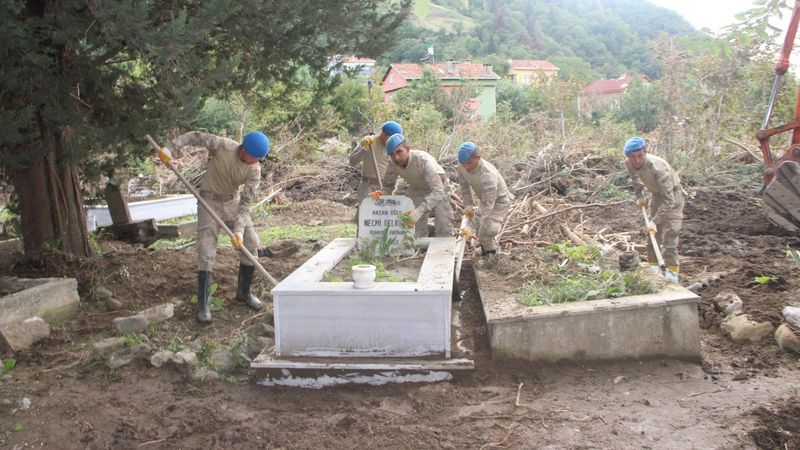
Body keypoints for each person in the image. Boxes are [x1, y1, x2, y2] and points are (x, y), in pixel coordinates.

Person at [171, 130, 269, 322]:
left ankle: (244, 293)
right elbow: (196, 136)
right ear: (243, 149)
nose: (255, 161)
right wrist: (172, 147)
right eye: (254, 157)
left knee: (251, 243)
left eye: (259, 158)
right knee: (206, 249)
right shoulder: (223, 146)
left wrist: (239, 231)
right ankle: (204, 303)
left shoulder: (254, 170)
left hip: (233, 203)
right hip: (209, 202)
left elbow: (245, 205)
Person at [624, 136, 685, 282]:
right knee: (651, 236)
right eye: (633, 157)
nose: (637, 160)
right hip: (656, 196)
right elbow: (635, 179)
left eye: (640, 156)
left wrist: (654, 221)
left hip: (673, 197)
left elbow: (669, 200)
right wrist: (640, 196)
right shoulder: (629, 163)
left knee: (670, 236)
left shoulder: (657, 167)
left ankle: (672, 277)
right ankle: (654, 270)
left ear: (645, 151)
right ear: (628, 157)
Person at [371, 134, 453, 237]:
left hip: (439, 188)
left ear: (408, 149)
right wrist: (381, 194)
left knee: (443, 227)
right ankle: (419, 251)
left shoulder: (422, 161)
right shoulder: (392, 164)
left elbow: (438, 191)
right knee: (414, 231)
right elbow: (388, 187)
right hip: (417, 188)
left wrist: (418, 212)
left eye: (399, 152)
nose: (396, 157)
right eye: (392, 154)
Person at [455, 142, 514, 256]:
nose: (466, 167)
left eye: (468, 163)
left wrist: (470, 227)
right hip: (485, 199)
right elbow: (464, 187)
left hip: (500, 202)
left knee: (487, 230)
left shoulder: (488, 175)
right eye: (463, 164)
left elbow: (488, 205)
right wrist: (468, 205)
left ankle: (492, 256)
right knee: (480, 227)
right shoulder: (462, 166)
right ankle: (485, 249)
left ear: (477, 158)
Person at [349, 121, 402, 201]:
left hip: (384, 189)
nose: (394, 141)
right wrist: (364, 150)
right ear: (384, 134)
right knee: (364, 213)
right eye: (392, 138)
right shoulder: (369, 142)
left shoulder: (394, 147)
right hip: (367, 188)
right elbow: (352, 162)